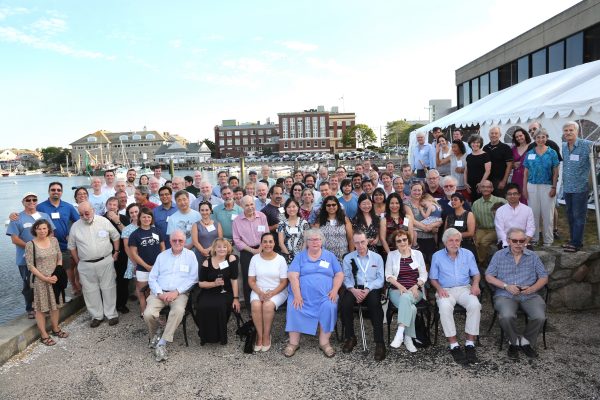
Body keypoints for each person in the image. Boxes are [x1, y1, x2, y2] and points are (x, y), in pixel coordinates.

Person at [485, 227, 548, 359]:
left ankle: (525, 341)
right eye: (515, 240)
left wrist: (532, 288)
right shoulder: (499, 255)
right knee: (507, 316)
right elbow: (489, 276)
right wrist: (506, 286)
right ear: (508, 241)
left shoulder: (533, 256)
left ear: (525, 241)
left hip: (529, 294)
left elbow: (543, 276)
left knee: (539, 317)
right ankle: (513, 342)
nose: (519, 243)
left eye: (522, 240)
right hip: (505, 294)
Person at [284, 229, 344, 358]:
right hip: (302, 295)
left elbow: (339, 274)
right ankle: (293, 343)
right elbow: (292, 275)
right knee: (294, 306)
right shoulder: (300, 256)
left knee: (330, 306)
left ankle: (325, 343)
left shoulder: (330, 256)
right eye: (311, 240)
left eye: (317, 239)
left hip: (326, 296)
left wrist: (334, 290)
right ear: (307, 242)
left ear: (322, 241)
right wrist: (298, 295)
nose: (314, 242)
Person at [144, 230, 198, 362]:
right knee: (148, 314)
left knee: (178, 311)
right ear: (170, 241)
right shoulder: (162, 256)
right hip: (159, 293)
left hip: (179, 294)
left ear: (184, 242)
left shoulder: (190, 255)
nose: (177, 243)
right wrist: (160, 293)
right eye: (175, 240)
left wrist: (177, 292)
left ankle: (162, 342)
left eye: (180, 240)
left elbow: (193, 278)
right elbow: (152, 278)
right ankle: (156, 333)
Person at [430, 228, 481, 364]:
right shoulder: (437, 256)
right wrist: (439, 289)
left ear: (460, 241)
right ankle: (454, 344)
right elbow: (433, 278)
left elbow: (476, 274)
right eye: (451, 240)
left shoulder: (468, 254)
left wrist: (475, 285)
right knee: (445, 307)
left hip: (464, 288)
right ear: (445, 242)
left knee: (475, 305)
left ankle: (470, 343)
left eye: (457, 240)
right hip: (445, 289)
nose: (454, 243)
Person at [68, 201, 121, 327]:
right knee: (90, 291)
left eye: (87, 213)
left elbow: (115, 236)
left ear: (93, 210)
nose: (85, 217)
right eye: (81, 215)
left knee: (109, 288)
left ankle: (111, 314)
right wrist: (78, 261)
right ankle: (96, 316)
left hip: (105, 261)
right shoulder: (75, 226)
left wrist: (117, 252)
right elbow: (72, 246)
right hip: (86, 264)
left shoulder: (103, 221)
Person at [7, 192, 55, 318]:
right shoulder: (16, 218)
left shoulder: (44, 216)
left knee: (45, 282)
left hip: (44, 258)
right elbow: (15, 239)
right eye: (28, 200)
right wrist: (32, 248)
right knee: (29, 284)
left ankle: (46, 307)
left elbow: (51, 235)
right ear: (23, 202)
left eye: (34, 199)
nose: (31, 202)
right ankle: (30, 308)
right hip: (25, 259)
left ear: (37, 201)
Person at [340, 231, 386, 361]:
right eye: (357, 243)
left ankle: (379, 342)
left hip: (371, 288)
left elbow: (380, 279)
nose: (360, 245)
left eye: (362, 242)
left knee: (375, 305)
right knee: (345, 304)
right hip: (354, 287)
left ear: (367, 241)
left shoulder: (377, 257)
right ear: (353, 243)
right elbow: (347, 278)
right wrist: (353, 290)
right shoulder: (348, 258)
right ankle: (350, 337)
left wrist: (367, 289)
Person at [25, 219, 68, 346]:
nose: (42, 231)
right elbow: (30, 266)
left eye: (44, 228)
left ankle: (55, 329)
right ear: (35, 230)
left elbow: (59, 257)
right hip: (40, 281)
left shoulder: (54, 241)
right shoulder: (30, 244)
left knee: (55, 305)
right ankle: (44, 335)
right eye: (39, 228)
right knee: (40, 309)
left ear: (48, 229)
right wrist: (45, 278)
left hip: (55, 279)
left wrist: (56, 274)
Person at [34, 182, 80, 296]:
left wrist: (72, 233)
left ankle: (74, 286)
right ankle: (53, 293)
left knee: (68, 266)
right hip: (47, 244)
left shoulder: (68, 206)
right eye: (53, 190)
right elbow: (30, 218)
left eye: (58, 190)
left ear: (62, 192)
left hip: (65, 244)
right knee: (51, 269)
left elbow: (78, 221)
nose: (56, 192)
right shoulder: (40, 207)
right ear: (49, 191)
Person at [385, 229, 427, 352]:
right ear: (395, 243)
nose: (402, 242)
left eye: (404, 239)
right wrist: (399, 286)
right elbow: (388, 275)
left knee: (406, 298)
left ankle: (400, 333)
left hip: (415, 291)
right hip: (396, 291)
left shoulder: (417, 254)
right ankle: (408, 338)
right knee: (411, 308)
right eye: (399, 241)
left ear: (408, 240)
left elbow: (424, 275)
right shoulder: (391, 255)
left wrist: (416, 286)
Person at [248, 233, 288, 352]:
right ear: (261, 243)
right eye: (265, 241)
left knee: (268, 305)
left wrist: (272, 293)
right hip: (258, 289)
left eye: (270, 241)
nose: (268, 244)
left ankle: (266, 335)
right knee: (255, 305)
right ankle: (259, 336)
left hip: (278, 290)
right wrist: (259, 292)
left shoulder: (280, 259)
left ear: (274, 243)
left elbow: (284, 282)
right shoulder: (255, 258)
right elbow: (251, 280)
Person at [196, 238, 240, 345]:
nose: (222, 249)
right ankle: (205, 335)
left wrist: (236, 298)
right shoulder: (207, 262)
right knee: (202, 306)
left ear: (228, 248)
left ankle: (220, 336)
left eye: (224, 247)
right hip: (209, 290)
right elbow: (201, 283)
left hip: (226, 291)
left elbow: (234, 280)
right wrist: (213, 284)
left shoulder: (231, 258)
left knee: (220, 305)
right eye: (219, 247)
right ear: (214, 248)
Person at [523, 128, 559, 247]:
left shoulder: (552, 152)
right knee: (533, 214)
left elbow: (555, 171)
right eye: (538, 137)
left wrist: (554, 187)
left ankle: (548, 240)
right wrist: (524, 188)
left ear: (546, 138)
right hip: (532, 185)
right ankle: (533, 238)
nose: (540, 139)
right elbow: (526, 172)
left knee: (548, 214)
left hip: (547, 186)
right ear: (535, 139)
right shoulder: (530, 153)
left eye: (543, 137)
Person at [232, 195, 269, 311]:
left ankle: (265, 302)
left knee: (263, 277)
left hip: (263, 250)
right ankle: (250, 307)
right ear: (242, 206)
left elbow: (266, 233)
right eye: (247, 205)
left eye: (251, 204)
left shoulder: (262, 216)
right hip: (247, 252)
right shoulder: (237, 221)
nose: (250, 207)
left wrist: (261, 248)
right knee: (249, 279)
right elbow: (236, 240)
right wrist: (252, 250)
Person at [561, 121, 593, 252]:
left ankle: (577, 243)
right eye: (566, 130)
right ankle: (574, 239)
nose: (568, 133)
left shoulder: (587, 145)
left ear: (577, 131)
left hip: (580, 187)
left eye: (571, 130)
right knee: (570, 215)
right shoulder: (563, 146)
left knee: (578, 215)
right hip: (567, 186)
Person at [128, 207, 166, 316]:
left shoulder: (157, 231)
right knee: (142, 292)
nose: (146, 219)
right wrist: (147, 266)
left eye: (149, 217)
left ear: (152, 218)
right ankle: (144, 312)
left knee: (155, 292)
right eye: (143, 217)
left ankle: (155, 313)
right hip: (142, 269)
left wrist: (158, 263)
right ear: (139, 218)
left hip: (158, 268)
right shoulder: (134, 235)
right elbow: (134, 253)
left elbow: (162, 247)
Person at [104, 197, 130, 313]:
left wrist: (116, 220)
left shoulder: (124, 218)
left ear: (118, 207)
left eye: (115, 205)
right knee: (107, 281)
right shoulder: (100, 219)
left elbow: (127, 233)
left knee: (122, 280)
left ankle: (121, 304)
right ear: (106, 205)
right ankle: (109, 306)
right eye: (110, 204)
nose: (112, 207)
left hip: (122, 254)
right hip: (106, 253)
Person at [472, 180, 506, 265]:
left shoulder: (501, 201)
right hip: (481, 229)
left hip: (495, 229)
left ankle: (481, 262)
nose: (485, 189)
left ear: (492, 189)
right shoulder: (476, 203)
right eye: (483, 187)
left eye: (488, 187)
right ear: (480, 189)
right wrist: (473, 233)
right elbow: (474, 220)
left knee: (484, 242)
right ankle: (480, 261)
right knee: (475, 242)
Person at [406, 182, 440, 266]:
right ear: (410, 191)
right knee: (418, 264)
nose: (417, 192)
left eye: (419, 190)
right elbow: (411, 220)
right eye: (414, 190)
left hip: (430, 236)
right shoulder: (407, 204)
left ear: (422, 191)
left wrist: (434, 225)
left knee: (431, 262)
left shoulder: (426, 202)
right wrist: (425, 228)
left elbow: (436, 215)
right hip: (417, 238)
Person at [315, 195, 354, 264]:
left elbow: (350, 239)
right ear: (325, 207)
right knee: (326, 274)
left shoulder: (344, 219)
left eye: (334, 205)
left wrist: (352, 256)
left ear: (338, 206)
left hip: (343, 256)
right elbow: (315, 239)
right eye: (328, 205)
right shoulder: (320, 221)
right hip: (325, 257)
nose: (331, 207)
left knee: (343, 274)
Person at [120, 203, 140, 312]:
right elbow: (127, 248)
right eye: (131, 212)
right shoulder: (127, 229)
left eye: (136, 211)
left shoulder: (148, 224)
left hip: (149, 259)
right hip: (134, 260)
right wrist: (134, 261)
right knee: (139, 284)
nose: (134, 214)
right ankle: (143, 306)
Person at [445, 192, 477, 258]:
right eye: (452, 200)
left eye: (455, 200)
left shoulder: (468, 214)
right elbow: (445, 232)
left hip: (466, 244)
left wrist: (455, 236)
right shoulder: (449, 216)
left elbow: (471, 233)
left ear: (462, 202)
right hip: (451, 245)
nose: (453, 201)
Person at [483, 126, 513, 196]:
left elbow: (509, 166)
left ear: (500, 135)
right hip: (487, 180)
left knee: (500, 203)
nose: (493, 135)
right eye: (492, 133)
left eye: (496, 133)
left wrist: (504, 181)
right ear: (489, 135)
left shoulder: (506, 148)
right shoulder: (485, 148)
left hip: (500, 181)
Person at [278, 198, 310, 264]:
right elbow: (281, 243)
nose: (291, 209)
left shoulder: (304, 223)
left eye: (293, 206)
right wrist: (288, 255)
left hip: (301, 256)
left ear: (298, 208)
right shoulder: (281, 223)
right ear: (285, 209)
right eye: (289, 207)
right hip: (286, 256)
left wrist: (300, 255)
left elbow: (306, 241)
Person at [192, 201, 223, 265]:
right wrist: (203, 251)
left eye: (207, 210)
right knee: (202, 273)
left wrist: (209, 249)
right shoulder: (195, 225)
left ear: (210, 211)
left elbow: (220, 239)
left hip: (215, 253)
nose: (204, 212)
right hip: (200, 254)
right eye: (202, 210)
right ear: (199, 211)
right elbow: (195, 241)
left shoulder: (217, 224)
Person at [464, 135, 491, 202]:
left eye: (477, 142)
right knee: (473, 204)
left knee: (482, 203)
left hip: (482, 185)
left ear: (480, 144)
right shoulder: (469, 156)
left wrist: (481, 184)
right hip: (470, 185)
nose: (475, 144)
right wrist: (465, 183)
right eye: (473, 142)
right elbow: (466, 171)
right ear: (470, 144)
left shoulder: (485, 155)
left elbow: (488, 171)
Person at [510, 127, 532, 203]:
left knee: (528, 198)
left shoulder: (532, 147)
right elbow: (510, 164)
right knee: (517, 196)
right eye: (517, 137)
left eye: (520, 135)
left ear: (525, 135)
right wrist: (513, 164)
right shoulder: (513, 149)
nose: (519, 138)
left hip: (529, 177)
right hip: (516, 177)